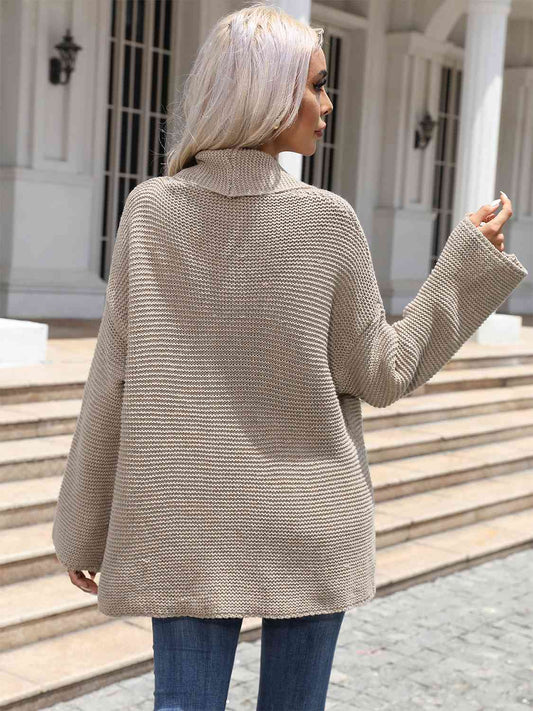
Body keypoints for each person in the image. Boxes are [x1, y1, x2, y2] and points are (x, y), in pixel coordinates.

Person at [51, 3, 527, 710]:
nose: (327, 104)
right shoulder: (327, 221)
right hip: (310, 518)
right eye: (315, 85)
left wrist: (82, 528)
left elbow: (111, 377)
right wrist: (464, 265)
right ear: (262, 91)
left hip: (185, 523)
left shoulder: (150, 211)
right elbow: (383, 372)